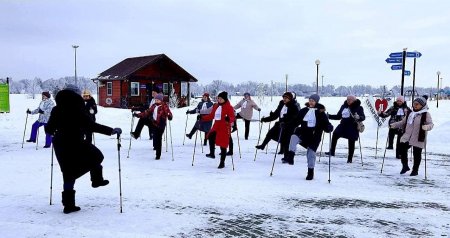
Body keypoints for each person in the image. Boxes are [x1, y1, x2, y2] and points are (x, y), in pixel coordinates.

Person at [45, 84, 122, 214]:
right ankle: (96, 180)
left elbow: (49, 129)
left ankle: (69, 205)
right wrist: (111, 131)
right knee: (97, 156)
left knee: (67, 173)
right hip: (76, 142)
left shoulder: (56, 109)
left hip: (60, 144)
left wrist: (53, 131)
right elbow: (91, 125)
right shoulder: (78, 108)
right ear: (76, 94)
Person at [285, 94, 333, 180]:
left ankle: (310, 172)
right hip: (303, 133)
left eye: (313, 101)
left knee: (311, 154)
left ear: (316, 102)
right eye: (310, 100)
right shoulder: (303, 110)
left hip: (314, 136)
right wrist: (285, 125)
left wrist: (329, 127)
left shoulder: (321, 112)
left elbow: (326, 123)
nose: (311, 102)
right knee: (293, 137)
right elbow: (295, 121)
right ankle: (290, 156)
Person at [390, 96, 433, 176]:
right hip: (407, 136)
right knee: (402, 149)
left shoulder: (426, 114)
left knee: (417, 154)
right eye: (414, 104)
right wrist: (394, 125)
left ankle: (415, 170)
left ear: (422, 105)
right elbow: (402, 122)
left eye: (417, 104)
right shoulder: (410, 113)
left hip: (418, 137)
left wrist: (426, 127)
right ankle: (405, 166)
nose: (415, 105)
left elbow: (431, 124)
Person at [327, 95, 365, 163]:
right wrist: (329, 116)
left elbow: (363, 117)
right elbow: (338, 116)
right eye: (347, 99)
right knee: (335, 134)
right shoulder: (343, 106)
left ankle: (350, 159)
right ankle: (332, 152)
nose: (348, 101)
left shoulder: (359, 107)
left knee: (351, 142)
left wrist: (359, 117)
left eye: (350, 100)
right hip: (343, 125)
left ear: (354, 100)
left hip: (352, 126)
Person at [202, 91, 235, 169]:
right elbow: (211, 116)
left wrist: (229, 119)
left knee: (223, 145)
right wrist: (202, 117)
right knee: (210, 136)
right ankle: (212, 153)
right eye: (218, 98)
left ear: (224, 99)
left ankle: (222, 162)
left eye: (220, 98)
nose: (218, 100)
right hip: (216, 126)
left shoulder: (229, 107)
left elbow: (233, 118)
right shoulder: (216, 106)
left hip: (224, 127)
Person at [134, 93, 173, 160]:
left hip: (161, 124)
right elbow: (147, 112)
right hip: (154, 123)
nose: (156, 101)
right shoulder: (154, 106)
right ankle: (137, 134)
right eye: (156, 100)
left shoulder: (164, 106)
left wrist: (170, 116)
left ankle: (158, 155)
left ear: (161, 100)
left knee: (158, 139)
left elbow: (168, 113)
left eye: (158, 100)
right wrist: (138, 115)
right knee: (154, 136)